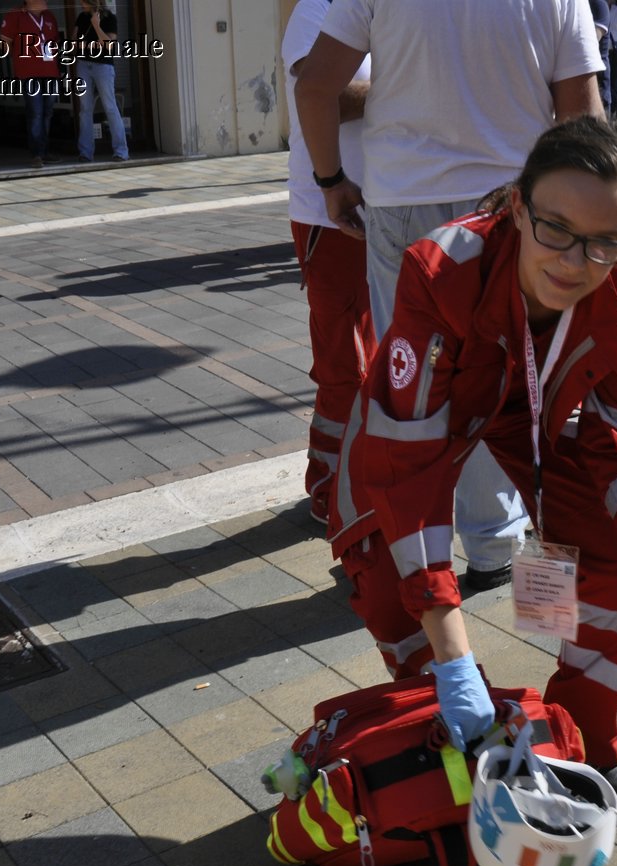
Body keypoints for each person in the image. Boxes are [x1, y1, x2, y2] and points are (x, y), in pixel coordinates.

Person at [326, 117, 617, 824]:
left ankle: (581, 735)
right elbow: (409, 464)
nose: (574, 262)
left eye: (604, 241)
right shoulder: (443, 270)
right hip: (425, 422)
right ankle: (462, 734)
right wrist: (452, 652)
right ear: (519, 207)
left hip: (542, 427)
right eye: (554, 227)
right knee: (384, 565)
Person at [294, 0, 604, 594]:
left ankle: (412, 550)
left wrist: (332, 183)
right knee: (517, 376)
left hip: (404, 201)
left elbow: (314, 87)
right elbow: (581, 119)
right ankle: (497, 547)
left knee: (413, 384)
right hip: (519, 208)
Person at [282, 0, 373, 524]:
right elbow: (322, 96)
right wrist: (409, 92)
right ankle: (327, 486)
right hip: (329, 212)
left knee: (389, 355)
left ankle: (364, 478)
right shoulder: (316, 9)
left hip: (393, 202)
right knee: (346, 362)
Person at [0, 0, 62, 166]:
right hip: (28, 73)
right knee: (35, 113)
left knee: (47, 112)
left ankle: (45, 150)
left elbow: (54, 42)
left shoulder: (49, 17)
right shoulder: (16, 15)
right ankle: (37, 154)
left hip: (50, 72)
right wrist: (18, 59)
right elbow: (5, 42)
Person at [74, 0, 129, 163]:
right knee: (85, 108)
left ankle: (121, 151)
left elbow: (109, 45)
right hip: (83, 65)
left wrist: (97, 26)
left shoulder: (109, 18)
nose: (81, 4)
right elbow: (75, 42)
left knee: (110, 107)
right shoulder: (81, 17)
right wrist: (94, 45)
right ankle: (85, 152)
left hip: (103, 66)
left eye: (83, 1)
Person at [588, 0, 613, 114]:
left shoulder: (598, 5)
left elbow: (589, 43)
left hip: (597, 77)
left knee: (597, 125)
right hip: (580, 73)